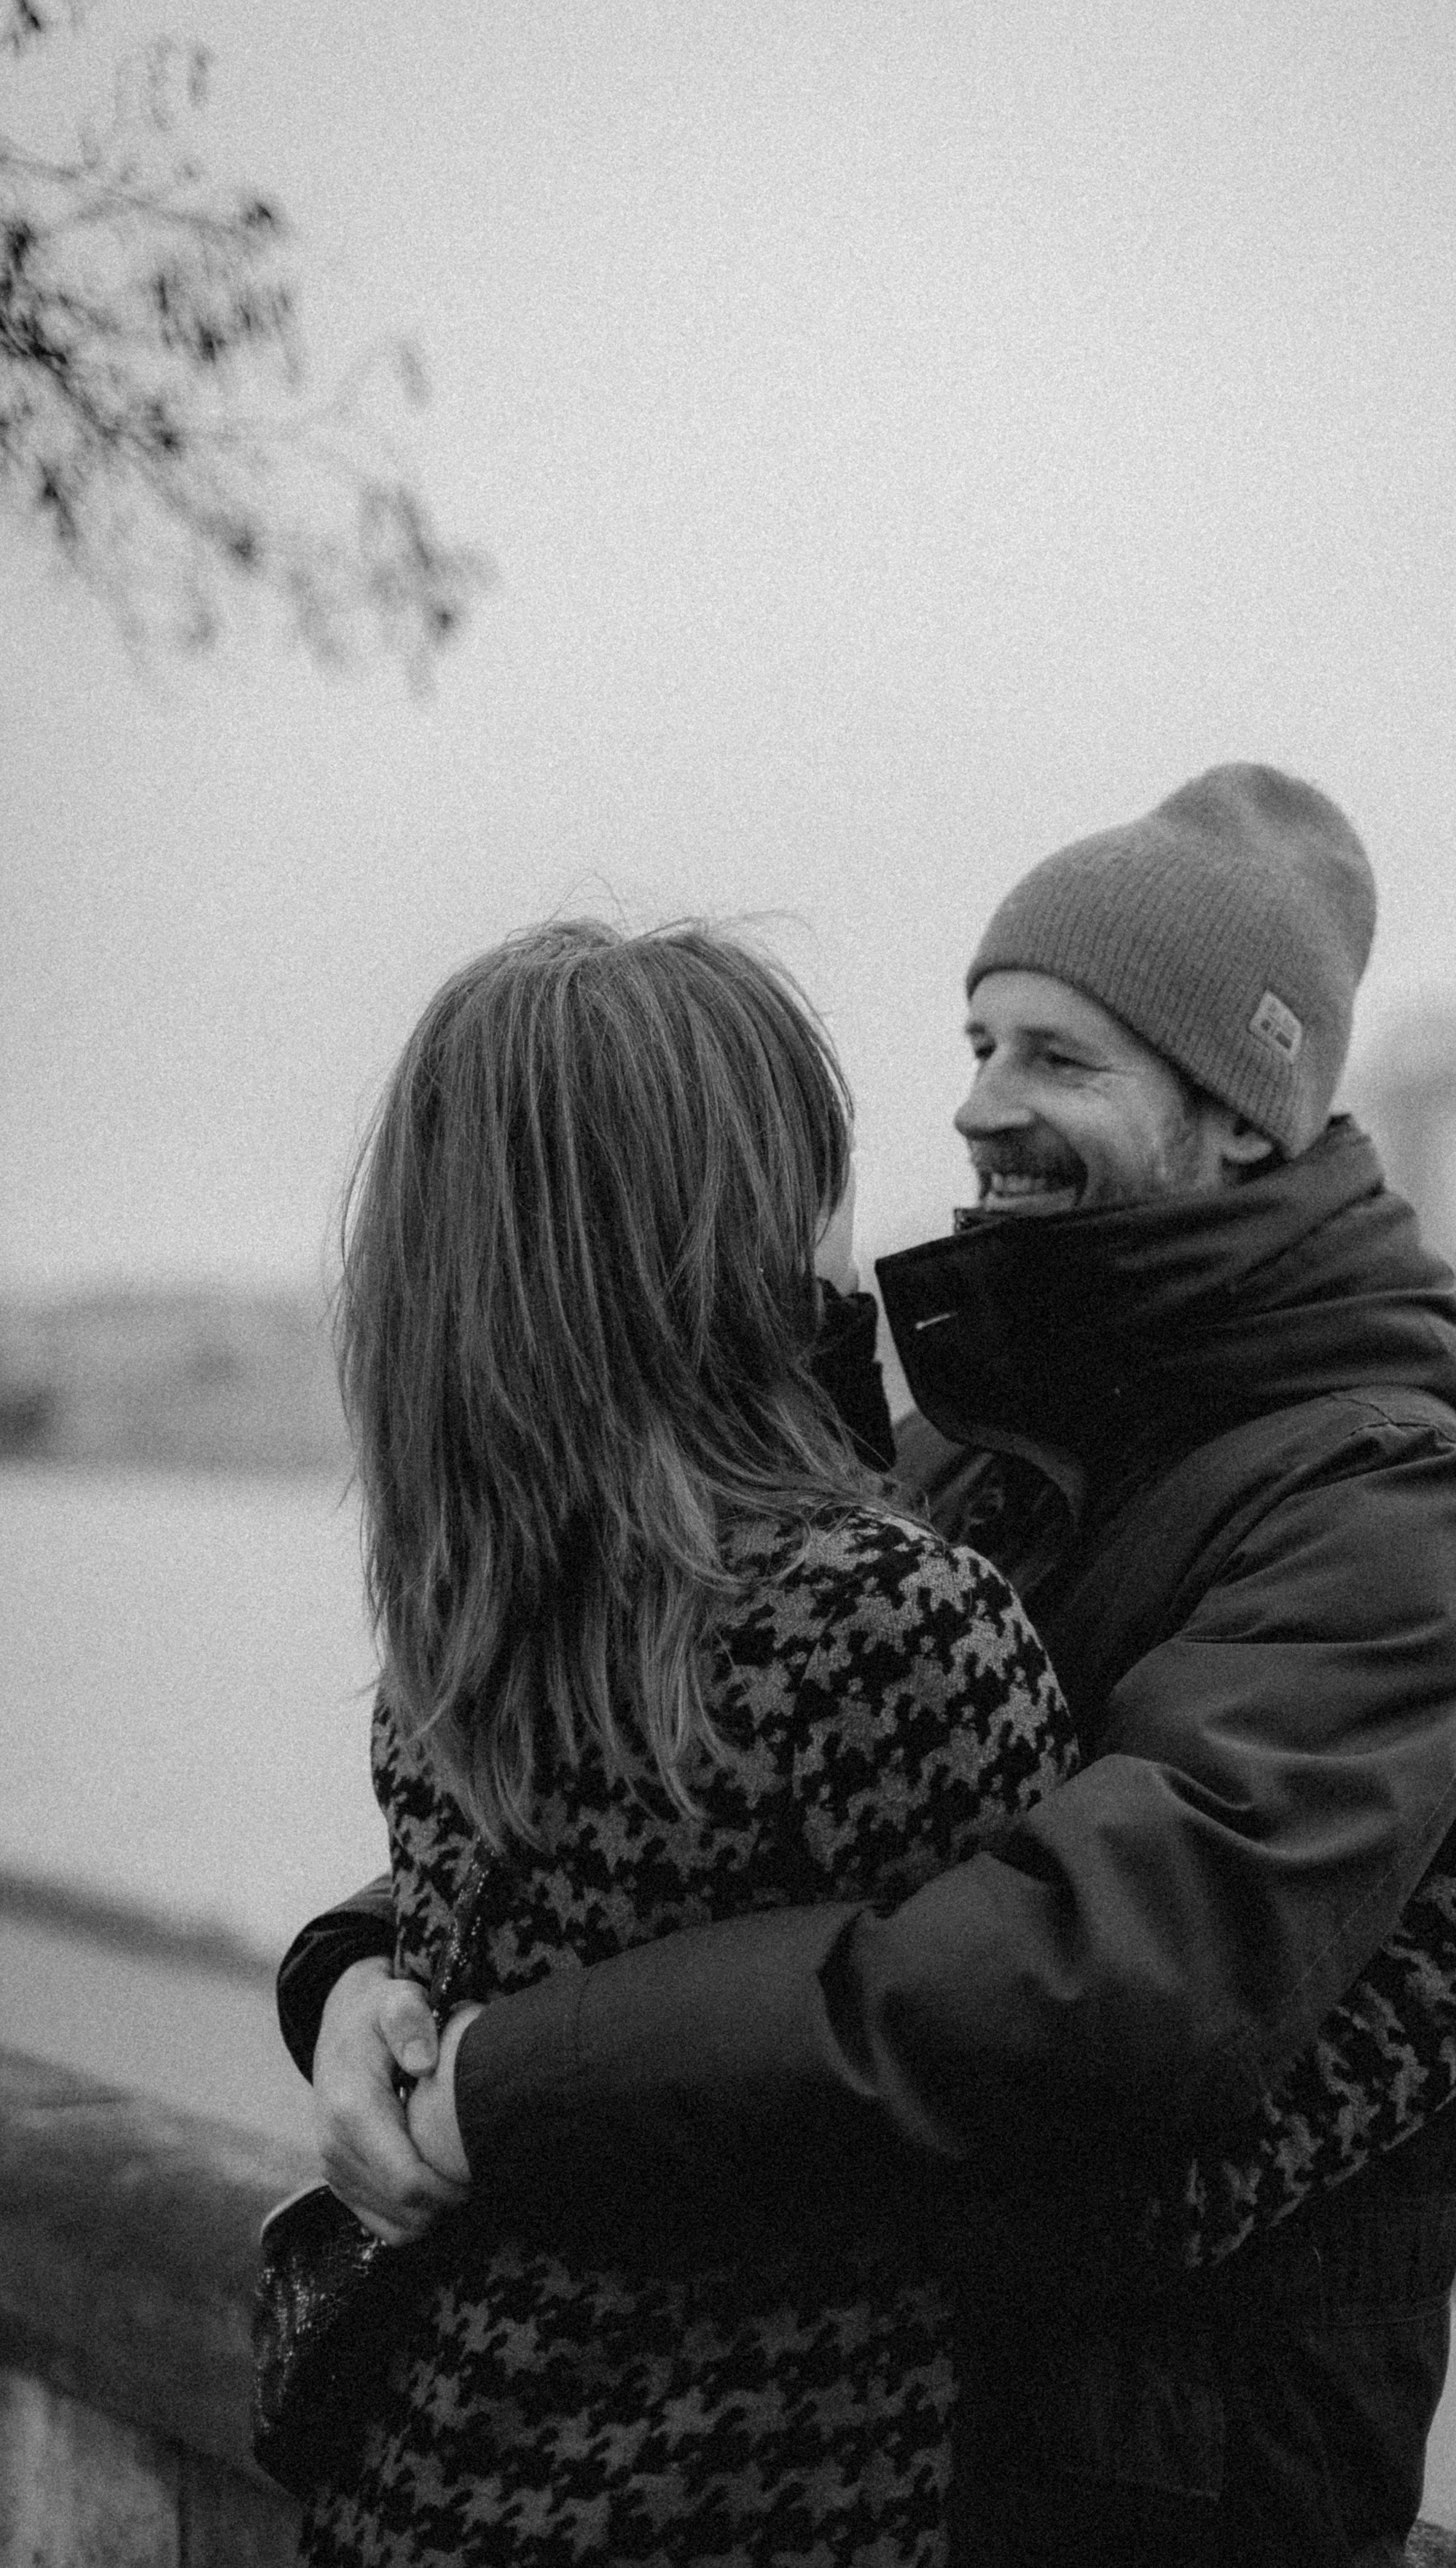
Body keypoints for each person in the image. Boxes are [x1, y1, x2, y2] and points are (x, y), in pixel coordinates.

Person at [283, 768, 1456, 2565]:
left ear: (1247, 1115)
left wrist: (493, 2075)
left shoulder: (1373, 1504)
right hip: (867, 2461)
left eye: (1057, 1057)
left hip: (1153, 2496)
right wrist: (366, 1967)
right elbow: (660, 1802)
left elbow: (1088, 2001)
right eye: (977, 1041)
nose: (976, 1106)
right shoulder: (963, 1449)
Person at [296, 917, 1081, 2567]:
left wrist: (335, 1981)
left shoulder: (463, 1624)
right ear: (734, 1231)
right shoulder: (881, 1618)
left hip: (426, 2481)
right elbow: (1074, 2135)